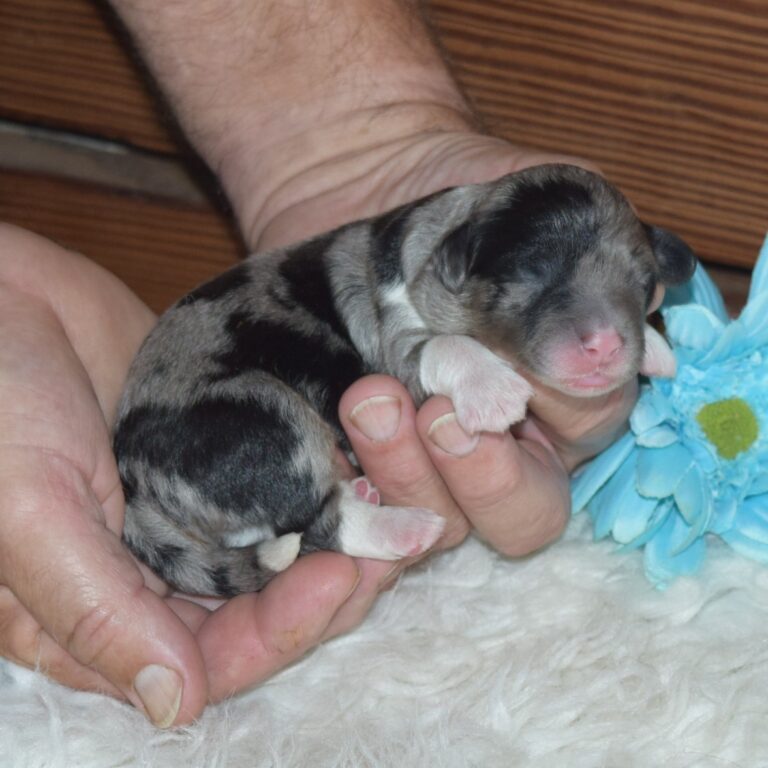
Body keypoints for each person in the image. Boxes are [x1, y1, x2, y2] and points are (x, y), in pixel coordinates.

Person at [0, 0, 647, 728]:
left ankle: (289, 532)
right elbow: (417, 353)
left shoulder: (441, 251)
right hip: (206, 426)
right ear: (462, 264)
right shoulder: (419, 275)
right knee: (294, 429)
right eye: (545, 286)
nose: (602, 335)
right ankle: (326, 524)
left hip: (207, 433)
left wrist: (356, 142)